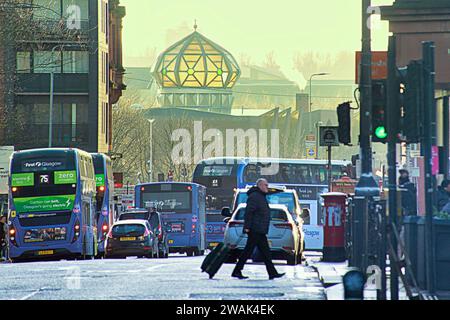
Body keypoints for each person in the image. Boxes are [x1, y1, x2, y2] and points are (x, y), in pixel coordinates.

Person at [232, 178, 285, 280]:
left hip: (259, 229)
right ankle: (237, 271)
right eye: (266, 185)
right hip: (255, 229)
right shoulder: (255, 197)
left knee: (265, 252)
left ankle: (272, 273)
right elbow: (249, 212)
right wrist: (247, 227)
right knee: (249, 251)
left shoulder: (260, 196)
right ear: (260, 185)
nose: (267, 187)